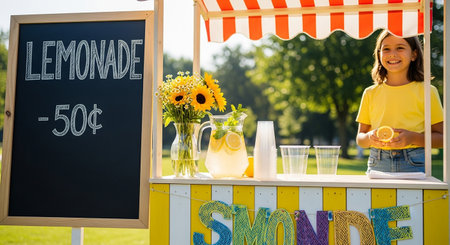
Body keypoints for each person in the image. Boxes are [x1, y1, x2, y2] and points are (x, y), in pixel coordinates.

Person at [356, 30, 443, 173]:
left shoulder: (427, 91)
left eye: (400, 48)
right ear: (379, 55)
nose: (392, 54)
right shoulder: (370, 93)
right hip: (377, 162)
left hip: (414, 162)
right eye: (386, 49)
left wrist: (413, 138)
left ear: (414, 54)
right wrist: (370, 138)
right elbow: (360, 139)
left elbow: (442, 138)